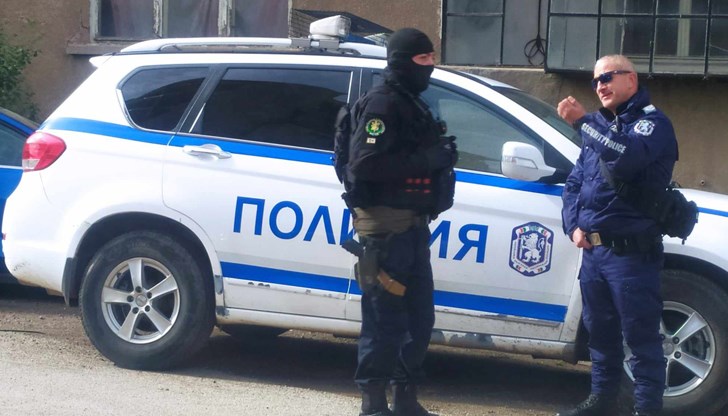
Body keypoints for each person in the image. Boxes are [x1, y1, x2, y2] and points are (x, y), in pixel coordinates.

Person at [343, 28, 457, 416]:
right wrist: (428, 160)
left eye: (432, 58)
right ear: (401, 61)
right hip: (386, 230)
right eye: (423, 59)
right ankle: (373, 404)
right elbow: (365, 164)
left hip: (412, 227)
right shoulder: (382, 105)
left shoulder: (411, 102)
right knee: (384, 322)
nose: (430, 66)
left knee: (419, 319)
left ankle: (405, 400)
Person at [557, 55, 677, 416]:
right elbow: (575, 183)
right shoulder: (599, 129)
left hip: (631, 255)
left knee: (641, 339)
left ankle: (646, 409)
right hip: (594, 254)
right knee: (599, 333)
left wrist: (583, 123)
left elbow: (626, 158)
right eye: (596, 80)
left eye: (608, 77)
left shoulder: (652, 123)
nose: (601, 86)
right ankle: (602, 400)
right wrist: (573, 226)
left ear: (632, 80)